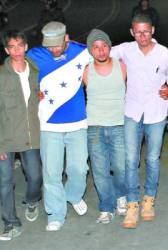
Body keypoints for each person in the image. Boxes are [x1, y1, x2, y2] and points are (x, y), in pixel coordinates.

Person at [111, 14, 168, 229]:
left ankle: (148, 200)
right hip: (132, 112)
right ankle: (133, 203)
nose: (143, 36)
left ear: (153, 30)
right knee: (131, 160)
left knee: (152, 159)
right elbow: (99, 51)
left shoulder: (164, 54)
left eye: (146, 31)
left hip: (156, 114)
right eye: (138, 32)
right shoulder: (125, 49)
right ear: (132, 32)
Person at [27, 21, 90, 231]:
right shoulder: (35, 55)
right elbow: (14, 71)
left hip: (78, 122)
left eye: (57, 45)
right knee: (51, 173)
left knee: (79, 169)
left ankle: (72, 195)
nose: (53, 50)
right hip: (49, 125)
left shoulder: (82, 52)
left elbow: (106, 58)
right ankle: (55, 212)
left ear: (66, 38)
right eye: (49, 46)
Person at [0, 30, 42, 240]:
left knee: (35, 177)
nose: (16, 50)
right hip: (5, 138)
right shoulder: (1, 75)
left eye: (20, 46)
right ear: (7, 50)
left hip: (30, 134)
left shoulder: (35, 71)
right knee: (4, 181)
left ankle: (32, 200)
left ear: (26, 47)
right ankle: (10, 222)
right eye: (12, 47)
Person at [83, 29, 127, 224]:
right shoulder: (86, 70)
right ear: (91, 51)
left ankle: (121, 197)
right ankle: (106, 207)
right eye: (96, 47)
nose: (100, 51)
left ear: (109, 47)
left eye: (104, 46)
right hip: (95, 127)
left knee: (120, 167)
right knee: (100, 170)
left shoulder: (122, 67)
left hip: (118, 125)